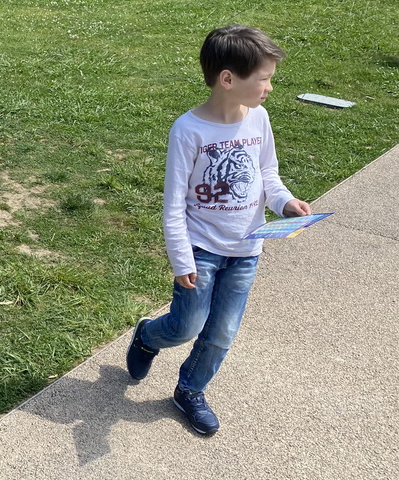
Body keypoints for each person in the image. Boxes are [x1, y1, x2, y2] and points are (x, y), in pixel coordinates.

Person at [126, 25, 311, 436]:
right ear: (228, 79)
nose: (269, 89)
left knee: (221, 333)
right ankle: (147, 337)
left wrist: (285, 203)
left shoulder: (259, 119)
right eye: (263, 79)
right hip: (201, 248)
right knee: (185, 326)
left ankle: (189, 390)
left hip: (247, 249)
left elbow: (267, 174)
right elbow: (173, 204)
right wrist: (181, 258)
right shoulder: (189, 130)